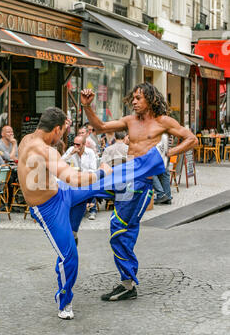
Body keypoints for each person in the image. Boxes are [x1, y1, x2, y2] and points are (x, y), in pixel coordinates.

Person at [18, 106, 169, 320]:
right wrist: (99, 171)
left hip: (61, 193)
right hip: (48, 209)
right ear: (57, 129)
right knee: (69, 257)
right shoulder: (45, 150)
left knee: (103, 184)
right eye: (62, 132)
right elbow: (74, 178)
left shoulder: (27, 140)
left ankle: (151, 161)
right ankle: (65, 304)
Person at [81, 82, 198, 302]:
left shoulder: (163, 122)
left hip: (140, 184)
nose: (134, 102)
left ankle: (127, 283)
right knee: (87, 190)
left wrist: (166, 154)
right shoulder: (129, 121)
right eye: (133, 98)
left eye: (138, 98)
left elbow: (192, 138)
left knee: (120, 226)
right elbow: (101, 127)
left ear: (150, 100)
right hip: (124, 177)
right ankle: (125, 281)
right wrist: (88, 107)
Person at [62, 134, 98, 222]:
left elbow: (93, 169)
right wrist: (70, 154)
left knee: (90, 185)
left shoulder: (90, 153)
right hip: (74, 178)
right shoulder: (71, 150)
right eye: (74, 143)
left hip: (86, 177)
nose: (75, 146)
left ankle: (93, 210)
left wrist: (83, 175)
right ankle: (73, 208)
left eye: (78, 144)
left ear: (84, 144)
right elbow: (61, 162)